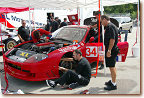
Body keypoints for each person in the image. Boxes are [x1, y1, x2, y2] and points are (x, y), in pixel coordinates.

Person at [101, 15, 119, 90]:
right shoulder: (110, 26)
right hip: (111, 49)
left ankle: (114, 84)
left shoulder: (110, 27)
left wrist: (109, 50)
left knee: (112, 67)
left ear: (105, 19)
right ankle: (112, 81)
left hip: (111, 49)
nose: (101, 23)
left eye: (101, 21)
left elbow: (112, 40)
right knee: (112, 66)